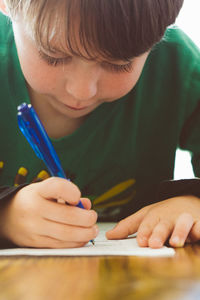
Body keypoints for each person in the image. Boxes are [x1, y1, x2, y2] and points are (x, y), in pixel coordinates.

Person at [0, 0, 200, 249]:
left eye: (118, 64)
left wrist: (195, 202)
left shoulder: (179, 68)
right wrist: (5, 217)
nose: (81, 91)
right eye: (53, 56)